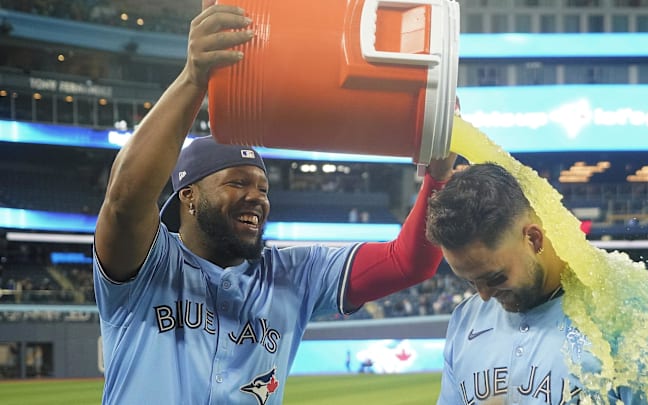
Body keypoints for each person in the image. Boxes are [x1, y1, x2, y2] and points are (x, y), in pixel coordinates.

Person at [92, 1, 456, 404]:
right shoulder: (148, 264)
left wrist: (437, 179)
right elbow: (125, 199)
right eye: (237, 182)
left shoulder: (294, 273)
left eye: (264, 189)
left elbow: (410, 262)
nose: (256, 198)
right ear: (188, 196)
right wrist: (195, 78)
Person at [426, 163, 644, 404]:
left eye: (495, 277)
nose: (484, 295)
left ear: (533, 239)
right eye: (470, 281)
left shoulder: (625, 317)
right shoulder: (466, 319)